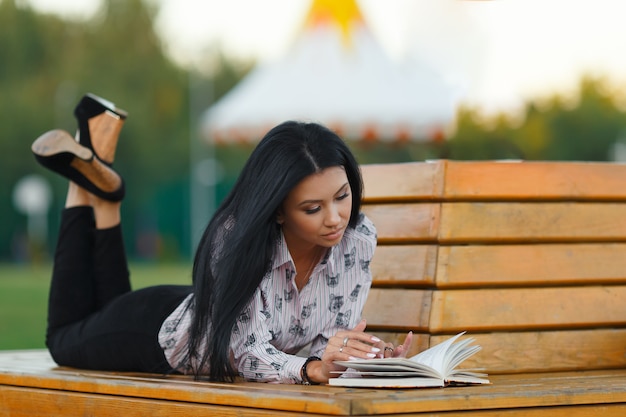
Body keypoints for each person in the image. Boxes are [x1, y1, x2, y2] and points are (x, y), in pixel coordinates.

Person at [32, 93, 413, 384]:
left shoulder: (357, 239)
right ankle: (82, 185)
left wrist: (362, 358)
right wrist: (313, 369)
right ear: (277, 209)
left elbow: (329, 340)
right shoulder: (237, 238)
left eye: (342, 196)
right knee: (63, 340)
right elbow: (248, 352)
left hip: (197, 306)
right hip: (156, 333)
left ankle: (99, 171)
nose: (335, 219)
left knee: (106, 305)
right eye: (312, 208)